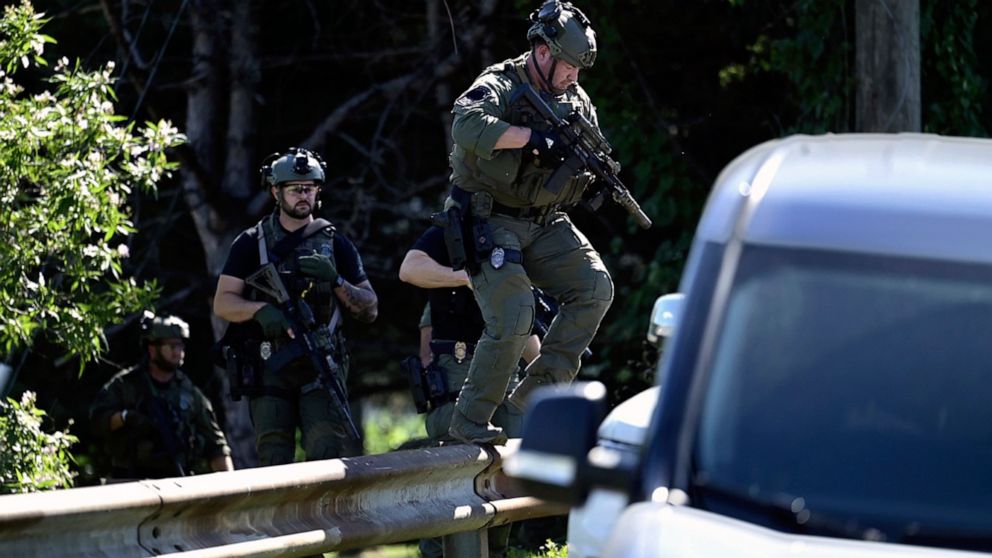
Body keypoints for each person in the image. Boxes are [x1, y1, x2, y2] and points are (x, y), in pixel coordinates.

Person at [442, 0, 612, 444]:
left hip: (544, 221)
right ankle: (470, 423)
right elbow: (465, 123)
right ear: (543, 52)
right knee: (516, 314)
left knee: (595, 288)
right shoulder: (500, 82)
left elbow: (587, 153)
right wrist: (533, 139)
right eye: (569, 66)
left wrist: (589, 179)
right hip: (489, 217)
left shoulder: (575, 99)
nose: (574, 77)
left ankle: (536, 400)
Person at [213, 147, 378, 466]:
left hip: (320, 363)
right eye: (295, 189)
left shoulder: (334, 242)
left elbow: (370, 308)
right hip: (269, 364)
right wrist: (259, 311)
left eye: (310, 188)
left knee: (326, 453)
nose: (304, 195)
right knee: (273, 456)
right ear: (276, 191)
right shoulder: (251, 242)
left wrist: (338, 282)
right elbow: (224, 301)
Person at [398, 224, 543, 558]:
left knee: (508, 476)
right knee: (455, 478)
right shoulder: (450, 232)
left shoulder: (519, 241)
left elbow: (529, 334)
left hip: (507, 369)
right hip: (459, 369)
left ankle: (496, 551)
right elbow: (409, 268)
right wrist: (466, 277)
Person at [89, 312, 233, 479]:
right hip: (129, 480)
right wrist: (125, 417)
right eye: (172, 346)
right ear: (152, 349)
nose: (178, 352)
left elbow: (216, 446)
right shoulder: (126, 385)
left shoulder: (189, 393)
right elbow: (97, 421)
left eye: (180, 346)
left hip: (175, 479)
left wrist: (230, 484)